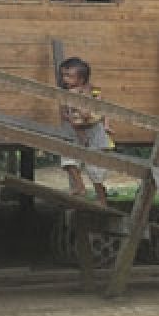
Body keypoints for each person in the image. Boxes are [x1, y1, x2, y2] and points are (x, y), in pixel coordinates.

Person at [59, 57, 110, 206]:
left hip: (93, 134)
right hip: (75, 132)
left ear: (81, 79)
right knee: (68, 159)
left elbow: (94, 112)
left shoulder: (91, 92)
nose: (64, 79)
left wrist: (82, 109)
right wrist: (68, 116)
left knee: (95, 169)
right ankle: (80, 187)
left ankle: (102, 199)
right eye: (63, 75)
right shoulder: (65, 94)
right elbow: (64, 113)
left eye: (69, 76)